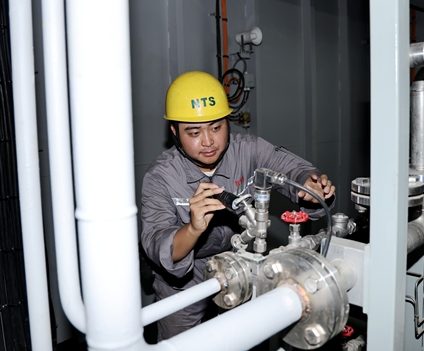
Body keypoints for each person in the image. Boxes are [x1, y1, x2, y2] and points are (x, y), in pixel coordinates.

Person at [140, 70, 335, 341]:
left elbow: (290, 168)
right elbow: (159, 244)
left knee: (244, 337)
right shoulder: (160, 177)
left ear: (228, 123)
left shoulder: (249, 150)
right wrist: (194, 228)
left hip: (238, 261)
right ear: (174, 132)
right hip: (184, 280)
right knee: (181, 344)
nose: (208, 141)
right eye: (194, 132)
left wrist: (309, 184)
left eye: (216, 127)